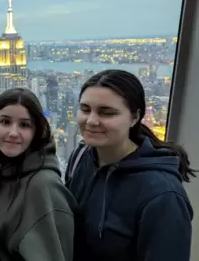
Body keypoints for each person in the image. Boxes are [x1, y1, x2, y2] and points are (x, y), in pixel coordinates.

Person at [65, 69, 195, 261]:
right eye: (85, 109)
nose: (91, 121)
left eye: (106, 112)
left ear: (135, 117)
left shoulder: (163, 196)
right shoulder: (81, 157)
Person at [0, 87, 76, 261]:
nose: (13, 133)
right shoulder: (0, 174)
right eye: (5, 122)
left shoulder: (42, 186)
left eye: (24, 125)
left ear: (37, 132)